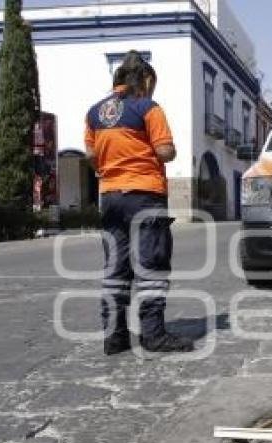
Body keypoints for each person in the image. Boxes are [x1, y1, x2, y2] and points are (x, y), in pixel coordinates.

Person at [85, 51, 193, 354]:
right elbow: (165, 152)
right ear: (145, 80)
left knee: (115, 268)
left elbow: (91, 156)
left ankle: (114, 336)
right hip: (144, 195)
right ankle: (153, 335)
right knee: (151, 265)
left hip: (109, 196)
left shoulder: (94, 112)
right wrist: (165, 149)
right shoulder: (148, 107)